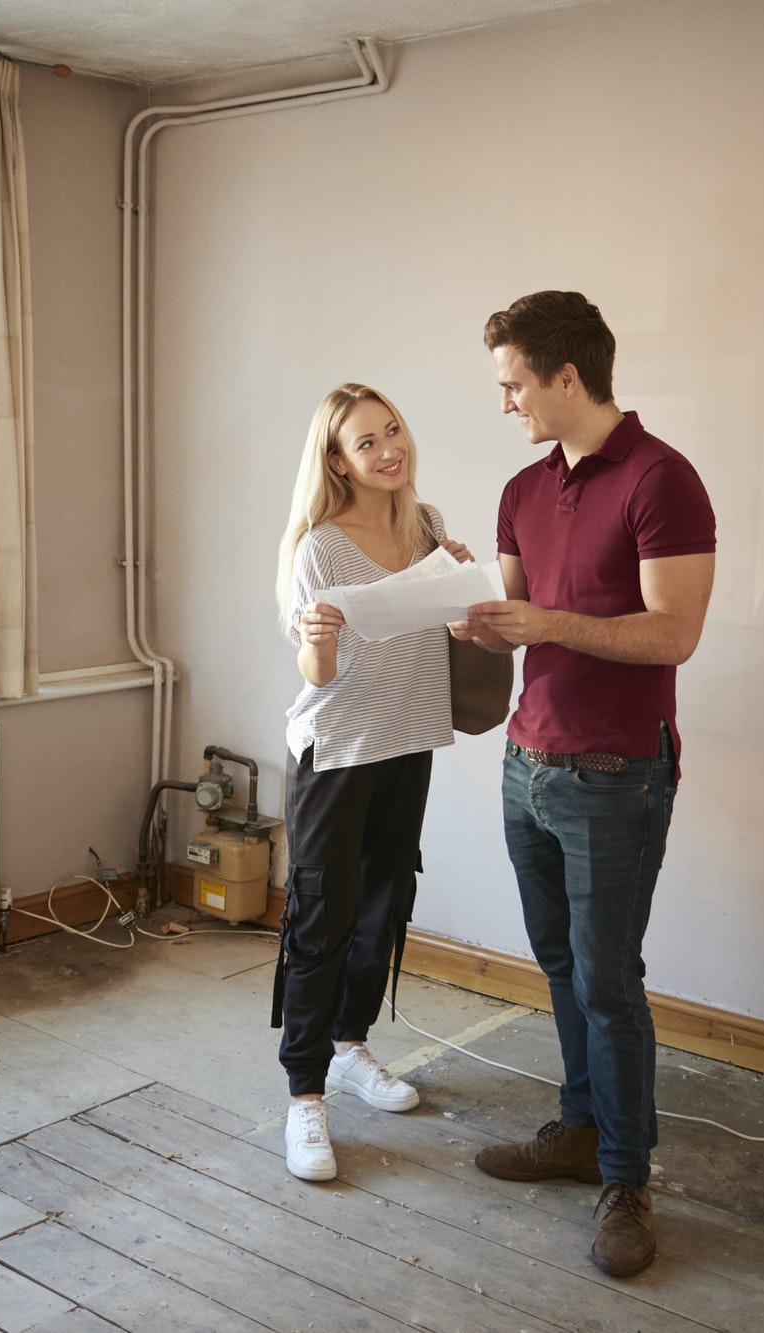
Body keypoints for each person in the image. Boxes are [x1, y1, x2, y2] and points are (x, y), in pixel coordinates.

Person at [450, 292, 716, 1277]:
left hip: (616, 774)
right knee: (559, 965)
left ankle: (625, 1179)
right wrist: (462, 608)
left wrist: (544, 624)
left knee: (608, 984)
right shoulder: (522, 490)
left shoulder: (663, 480)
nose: (506, 401)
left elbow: (672, 633)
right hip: (526, 763)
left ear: (566, 376)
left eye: (513, 383)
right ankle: (574, 1129)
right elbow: (511, 614)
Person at [273, 382, 472, 1182]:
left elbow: (454, 631)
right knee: (322, 913)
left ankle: (351, 1047)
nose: (390, 448)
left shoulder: (427, 528)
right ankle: (304, 1094)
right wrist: (318, 636)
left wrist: (465, 602)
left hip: (408, 739)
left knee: (385, 902)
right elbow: (315, 669)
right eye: (367, 441)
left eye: (393, 431)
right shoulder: (319, 545)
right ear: (336, 460)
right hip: (337, 748)